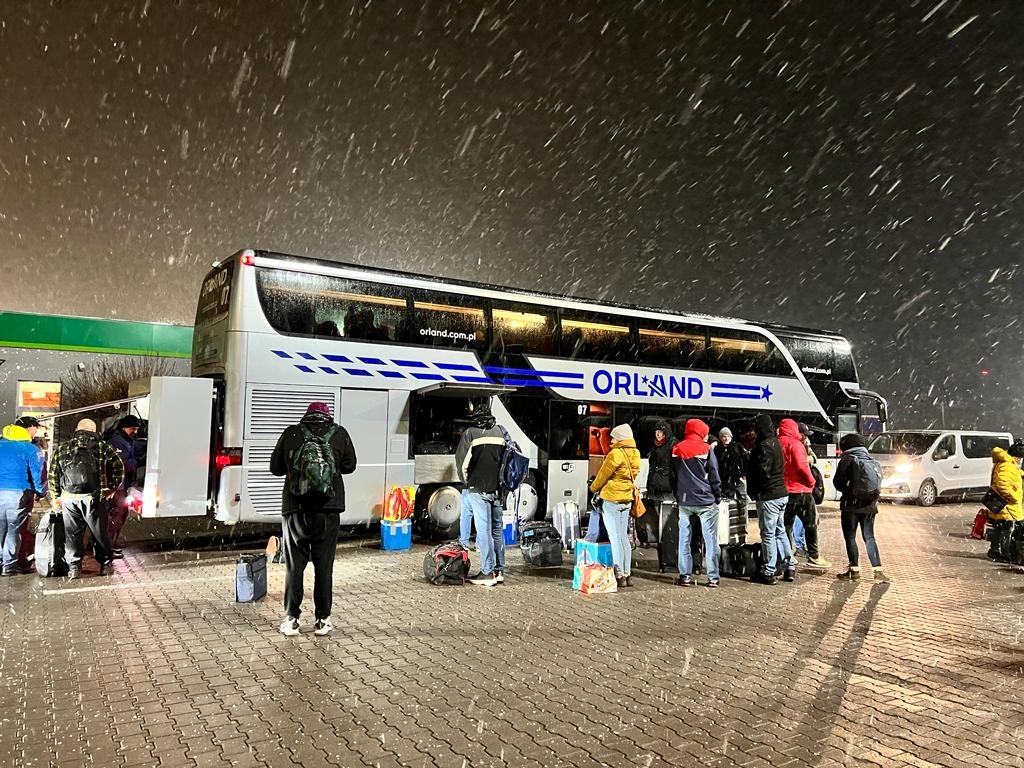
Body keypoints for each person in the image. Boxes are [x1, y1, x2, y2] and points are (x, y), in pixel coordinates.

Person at [270, 402, 357, 636]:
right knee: (324, 566)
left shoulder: (292, 433)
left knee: (294, 567)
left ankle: (291, 620)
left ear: (306, 415)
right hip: (328, 509)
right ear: (327, 416)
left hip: (295, 509)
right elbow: (350, 466)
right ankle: (322, 620)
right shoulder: (339, 433)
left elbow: (275, 468)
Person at [49, 419, 124, 578]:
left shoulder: (63, 448)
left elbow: (53, 474)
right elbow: (119, 465)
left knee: (73, 534)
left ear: (77, 429)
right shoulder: (102, 446)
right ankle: (105, 565)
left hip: (69, 498)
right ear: (94, 431)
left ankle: (74, 567)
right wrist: (112, 487)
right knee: (99, 533)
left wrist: (56, 496)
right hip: (94, 497)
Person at [455, 400, 508, 587]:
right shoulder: (501, 431)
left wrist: (468, 483)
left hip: (478, 489)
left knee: (483, 531)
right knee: (497, 530)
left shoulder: (470, 433)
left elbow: (462, 464)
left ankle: (487, 572)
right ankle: (499, 570)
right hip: (498, 489)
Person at [671, 419, 722, 588]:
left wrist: (678, 495)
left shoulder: (677, 449)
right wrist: (718, 495)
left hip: (685, 501)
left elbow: (673, 476)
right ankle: (713, 577)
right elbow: (714, 474)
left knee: (684, 539)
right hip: (706, 500)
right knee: (710, 539)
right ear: (700, 432)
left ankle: (685, 576)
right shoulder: (706, 449)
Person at [589, 424, 641, 588]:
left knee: (614, 537)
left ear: (620, 438)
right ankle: (627, 573)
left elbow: (603, 475)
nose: (611, 440)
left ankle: (618, 574)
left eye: (613, 437)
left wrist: (593, 488)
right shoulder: (635, 453)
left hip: (612, 499)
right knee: (624, 537)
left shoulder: (615, 454)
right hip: (626, 499)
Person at [833, 433, 889, 582]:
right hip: (870, 506)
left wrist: (849, 489)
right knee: (869, 537)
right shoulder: (870, 460)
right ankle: (878, 571)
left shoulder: (847, 459)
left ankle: (854, 570)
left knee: (850, 537)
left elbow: (838, 483)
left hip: (851, 505)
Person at [747, 414, 793, 585]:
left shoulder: (763, 446)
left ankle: (768, 571)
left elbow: (762, 472)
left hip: (769, 496)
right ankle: (789, 566)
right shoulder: (776, 442)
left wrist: (755, 490)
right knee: (780, 531)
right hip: (781, 493)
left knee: (768, 534)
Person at [778, 418, 830, 569]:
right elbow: (802, 467)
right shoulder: (796, 444)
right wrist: (811, 482)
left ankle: (787, 556)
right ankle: (814, 556)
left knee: (785, 525)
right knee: (811, 524)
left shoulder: (777, 443)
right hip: (801, 491)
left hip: (783, 491)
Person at [0, 419, 45, 576]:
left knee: (0, 528)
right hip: (18, 491)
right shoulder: (30, 449)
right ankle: (9, 565)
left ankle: (0, 562)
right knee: (13, 529)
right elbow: (37, 474)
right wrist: (40, 491)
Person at [106, 415, 143, 556]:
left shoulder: (128, 441)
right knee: (117, 514)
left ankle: (111, 541)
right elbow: (121, 465)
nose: (135, 432)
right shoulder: (116, 442)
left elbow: (137, 450)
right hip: (116, 486)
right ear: (123, 428)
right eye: (132, 429)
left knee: (121, 514)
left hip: (122, 485)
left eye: (137, 429)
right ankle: (107, 545)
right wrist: (138, 461)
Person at [985, 441, 1024, 563]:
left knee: (999, 528)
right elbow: (1003, 485)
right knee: (1006, 530)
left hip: (1002, 504)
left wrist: (1021, 474)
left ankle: (995, 551)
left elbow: (1011, 475)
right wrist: (1014, 498)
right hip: (1006, 505)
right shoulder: (1007, 465)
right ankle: (1003, 553)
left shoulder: (1006, 464)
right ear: (1018, 457)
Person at [641, 421, 677, 547]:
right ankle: (660, 538)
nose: (658, 435)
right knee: (657, 514)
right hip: (655, 486)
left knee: (667, 515)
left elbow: (675, 467)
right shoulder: (654, 446)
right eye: (656, 433)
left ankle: (666, 540)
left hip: (667, 487)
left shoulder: (673, 445)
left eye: (660, 432)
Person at [714, 426, 748, 521]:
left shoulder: (737, 447)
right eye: (723, 436)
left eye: (727, 436)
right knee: (725, 502)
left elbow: (746, 460)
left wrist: (743, 473)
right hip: (723, 479)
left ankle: (742, 520)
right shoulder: (717, 449)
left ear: (731, 437)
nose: (725, 438)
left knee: (742, 501)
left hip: (737, 477)